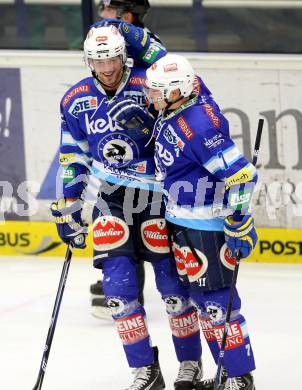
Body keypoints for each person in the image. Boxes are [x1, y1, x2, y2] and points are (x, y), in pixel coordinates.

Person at [51, 26, 203, 390]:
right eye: (98, 60)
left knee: (173, 290)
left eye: (113, 58)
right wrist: (69, 205)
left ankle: (190, 364)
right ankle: (144, 370)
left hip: (158, 197)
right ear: (88, 60)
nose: (106, 67)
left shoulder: (147, 83)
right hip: (111, 199)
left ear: (125, 55)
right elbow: (74, 156)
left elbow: (189, 96)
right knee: (118, 290)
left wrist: (144, 42)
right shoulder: (75, 99)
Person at [144, 53, 258, 390]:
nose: (151, 97)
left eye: (156, 91)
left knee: (218, 304)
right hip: (183, 224)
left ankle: (239, 378)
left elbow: (243, 175)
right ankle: (226, 373)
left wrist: (239, 221)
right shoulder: (180, 104)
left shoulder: (198, 126)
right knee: (203, 302)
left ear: (177, 91)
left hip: (204, 227)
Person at [90, 0, 167, 319]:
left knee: (151, 232)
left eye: (107, 8)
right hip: (117, 159)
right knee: (118, 221)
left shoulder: (145, 42)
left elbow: (165, 68)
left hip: (150, 163)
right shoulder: (103, 38)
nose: (101, 14)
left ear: (127, 14)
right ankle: (122, 280)